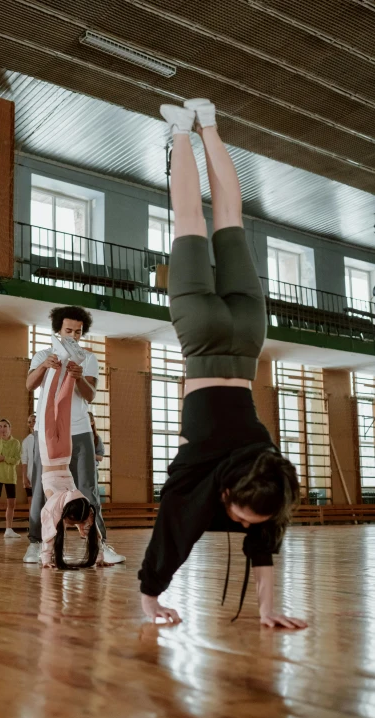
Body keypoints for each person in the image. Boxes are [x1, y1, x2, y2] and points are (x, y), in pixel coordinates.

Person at [139, 99, 308, 630]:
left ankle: (208, 121)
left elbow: (264, 544)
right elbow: (174, 529)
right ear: (231, 491)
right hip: (202, 339)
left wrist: (268, 609)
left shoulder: (269, 468)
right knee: (190, 219)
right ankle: (180, 130)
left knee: (231, 220)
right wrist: (150, 597)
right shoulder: (201, 473)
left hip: (248, 336)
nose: (236, 522)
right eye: (238, 513)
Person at [24, 306, 125, 566]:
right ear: (58, 329)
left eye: (78, 332)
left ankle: (100, 544)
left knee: (88, 489)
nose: (73, 335)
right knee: (41, 490)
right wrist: (45, 367)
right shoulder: (42, 355)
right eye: (68, 330)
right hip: (47, 432)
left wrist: (79, 378)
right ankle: (35, 544)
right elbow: (29, 385)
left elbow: (90, 395)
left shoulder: (88, 358)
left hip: (79, 431)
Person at [30, 333, 104, 569]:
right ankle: (65, 360)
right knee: (50, 402)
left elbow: (91, 526)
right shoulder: (56, 507)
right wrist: (46, 560)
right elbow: (49, 535)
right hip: (51, 451)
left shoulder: (81, 502)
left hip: (64, 452)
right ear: (68, 518)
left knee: (61, 407)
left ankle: (73, 364)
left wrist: (97, 552)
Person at [0, 418, 22, 540]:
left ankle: (9, 529)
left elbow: (16, 460)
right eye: (0, 426)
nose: (2, 429)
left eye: (5, 426)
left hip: (10, 477)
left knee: (11, 503)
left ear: (10, 428)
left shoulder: (16, 443)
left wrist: (4, 458)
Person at [21, 414, 36, 496]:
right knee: (31, 501)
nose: (32, 423)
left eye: (34, 420)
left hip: (43, 475)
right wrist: (24, 478)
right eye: (29, 422)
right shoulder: (26, 441)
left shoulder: (44, 438)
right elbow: (24, 460)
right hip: (31, 475)